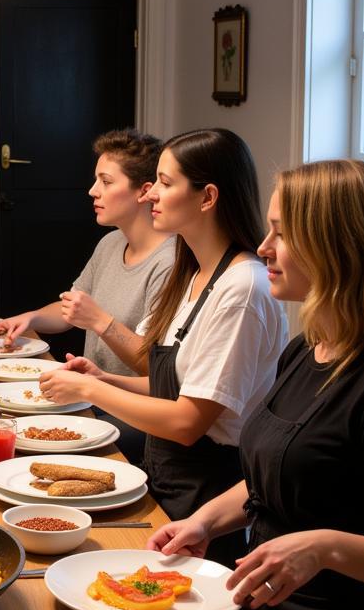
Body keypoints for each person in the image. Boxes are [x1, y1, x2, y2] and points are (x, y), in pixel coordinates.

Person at [148, 158, 364, 610]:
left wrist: (325, 547)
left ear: (337, 246)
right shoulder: (309, 350)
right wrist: (205, 522)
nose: (264, 246)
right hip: (258, 609)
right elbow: (271, 470)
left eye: (282, 233)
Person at [38, 128, 286, 565]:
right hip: (165, 477)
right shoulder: (192, 273)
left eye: (166, 184)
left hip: (205, 494)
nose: (152, 194)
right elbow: (169, 382)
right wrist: (103, 377)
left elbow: (189, 420)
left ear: (207, 197)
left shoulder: (243, 288)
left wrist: (91, 392)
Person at [0, 128, 174, 462]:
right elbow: (71, 310)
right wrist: (31, 318)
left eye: (107, 182)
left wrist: (99, 321)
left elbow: (156, 371)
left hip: (131, 412)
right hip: (90, 397)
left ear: (144, 191)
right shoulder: (111, 244)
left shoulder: (169, 264)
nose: (93, 190)